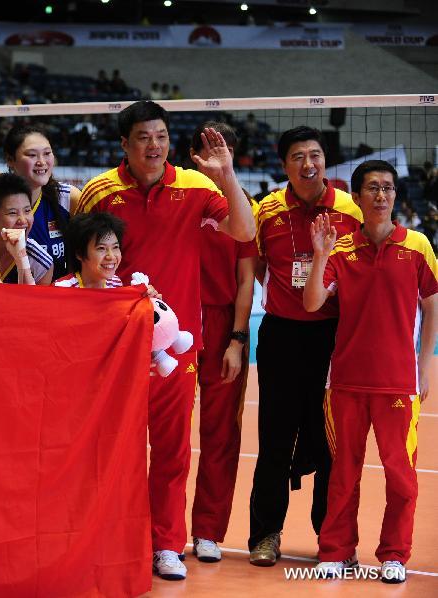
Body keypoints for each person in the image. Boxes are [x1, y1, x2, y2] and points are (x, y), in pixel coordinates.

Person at [76, 100, 255, 581]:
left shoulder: (197, 187)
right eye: (142, 137)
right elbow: (82, 259)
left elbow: (244, 229)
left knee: (173, 449)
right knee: (114, 449)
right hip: (116, 347)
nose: (153, 145)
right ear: (124, 144)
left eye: (160, 136)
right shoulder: (99, 191)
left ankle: (167, 544)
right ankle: (114, 536)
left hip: (174, 347)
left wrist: (227, 175)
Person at [304, 160, 436, 584]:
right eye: (372, 188)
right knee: (343, 472)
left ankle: (394, 554)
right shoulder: (340, 249)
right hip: (344, 382)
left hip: (398, 383)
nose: (381, 195)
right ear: (357, 198)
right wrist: (321, 252)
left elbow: (432, 305)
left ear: (396, 196)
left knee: (402, 476)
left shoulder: (417, 246)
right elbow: (311, 303)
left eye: (388, 188)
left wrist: (424, 367)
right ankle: (336, 550)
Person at [249, 126, 362, 567]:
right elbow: (257, 268)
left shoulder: (349, 209)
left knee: (331, 443)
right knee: (275, 440)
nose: (308, 163)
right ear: (284, 165)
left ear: (324, 161)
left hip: (333, 339)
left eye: (315, 155)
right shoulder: (268, 210)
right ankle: (265, 536)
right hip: (280, 336)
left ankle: (329, 540)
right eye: (298, 156)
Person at [187, 121, 257, 563]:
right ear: (193, 154)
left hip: (221, 324)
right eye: (210, 149)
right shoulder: (181, 196)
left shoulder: (242, 206)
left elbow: (247, 277)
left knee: (219, 436)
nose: (219, 156)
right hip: (170, 322)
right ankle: (161, 529)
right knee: (164, 434)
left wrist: (236, 337)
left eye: (227, 149)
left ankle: (208, 531)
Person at [0, 123, 81, 279]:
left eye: (47, 153)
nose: (42, 161)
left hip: (57, 295)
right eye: (32, 155)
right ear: (10, 160)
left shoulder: (68, 198)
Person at [0, 173, 53, 286]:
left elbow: (35, 302)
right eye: (12, 213)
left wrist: (21, 259)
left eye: (27, 211)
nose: (23, 220)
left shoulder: (42, 263)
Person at [55, 212, 124, 289]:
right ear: (79, 254)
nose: (111, 256)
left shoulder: (116, 283)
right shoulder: (61, 288)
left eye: (115, 247)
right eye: (101, 248)